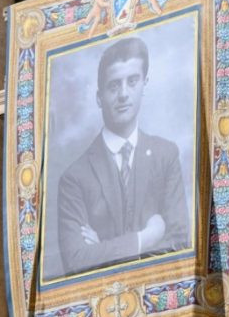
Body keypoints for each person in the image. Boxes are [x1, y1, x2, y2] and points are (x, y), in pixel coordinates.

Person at [57, 37, 191, 277]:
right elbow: (76, 260)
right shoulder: (74, 178)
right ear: (99, 97)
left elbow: (179, 245)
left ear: (144, 85)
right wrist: (145, 238)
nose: (123, 94)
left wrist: (102, 251)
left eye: (132, 81)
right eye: (113, 85)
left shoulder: (165, 155)